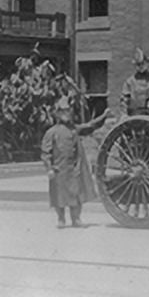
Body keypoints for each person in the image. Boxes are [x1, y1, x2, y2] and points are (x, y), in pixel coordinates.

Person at [41, 96, 111, 228]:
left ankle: (76, 219)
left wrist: (103, 116)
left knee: (76, 195)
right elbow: (45, 152)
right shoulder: (51, 132)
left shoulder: (74, 129)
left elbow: (90, 126)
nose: (66, 114)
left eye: (68, 111)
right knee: (59, 196)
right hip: (59, 169)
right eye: (62, 112)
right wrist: (49, 168)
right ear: (57, 114)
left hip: (74, 169)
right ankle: (61, 219)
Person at [120, 48, 149, 116]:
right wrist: (124, 115)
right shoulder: (130, 81)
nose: (141, 66)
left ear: (147, 63)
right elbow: (124, 100)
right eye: (138, 65)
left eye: (142, 64)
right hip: (135, 113)